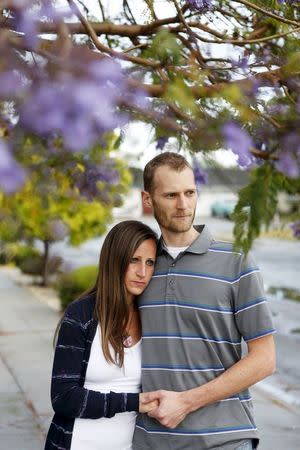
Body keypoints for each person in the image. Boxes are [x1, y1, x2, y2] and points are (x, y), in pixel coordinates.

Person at [133, 152, 276, 450]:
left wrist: (185, 402)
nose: (183, 205)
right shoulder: (140, 267)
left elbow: (265, 359)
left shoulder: (236, 260)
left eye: (190, 193)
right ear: (148, 199)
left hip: (224, 440)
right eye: (171, 195)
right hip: (150, 441)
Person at [45, 220, 158, 450]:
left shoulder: (151, 317)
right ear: (115, 260)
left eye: (150, 263)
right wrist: (133, 402)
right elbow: (63, 397)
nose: (142, 272)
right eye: (134, 260)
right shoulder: (81, 315)